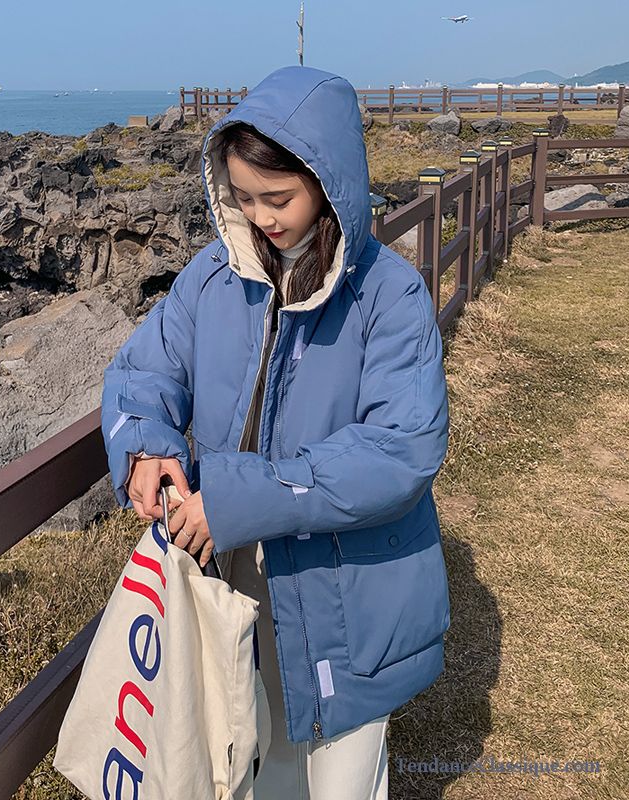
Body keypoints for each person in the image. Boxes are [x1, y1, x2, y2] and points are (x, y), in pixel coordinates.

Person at [101, 65, 451, 800]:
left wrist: (241, 498)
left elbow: (401, 450)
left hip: (349, 586)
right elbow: (144, 369)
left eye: (279, 197)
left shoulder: (388, 294)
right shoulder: (212, 277)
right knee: (262, 756)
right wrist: (146, 446)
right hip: (240, 569)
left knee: (347, 770)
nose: (261, 216)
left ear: (331, 180)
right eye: (243, 197)